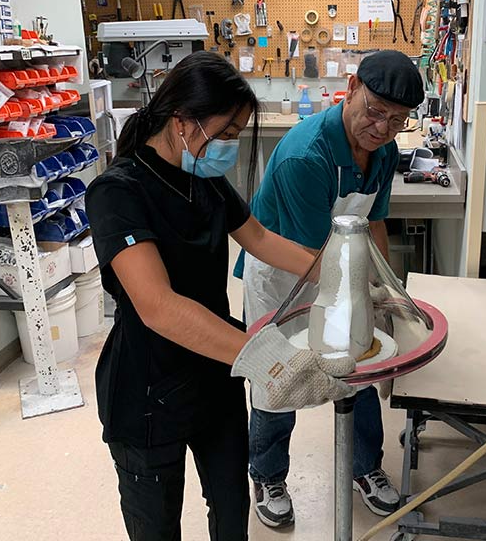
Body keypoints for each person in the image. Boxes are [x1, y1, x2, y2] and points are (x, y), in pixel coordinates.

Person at [85, 51, 355, 541]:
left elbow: (260, 239)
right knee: (156, 524)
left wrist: (339, 274)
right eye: (226, 132)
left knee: (231, 509)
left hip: (214, 373)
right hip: (148, 388)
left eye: (237, 134)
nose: (230, 145)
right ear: (183, 121)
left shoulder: (205, 179)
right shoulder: (118, 192)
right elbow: (158, 307)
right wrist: (268, 359)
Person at [234, 50, 425, 527]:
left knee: (357, 363)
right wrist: (361, 296)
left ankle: (366, 467)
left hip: (343, 266)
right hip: (286, 270)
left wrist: (388, 288)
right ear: (353, 85)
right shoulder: (307, 154)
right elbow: (310, 257)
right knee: (281, 376)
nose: (381, 128)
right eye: (376, 111)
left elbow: (374, 222)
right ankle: (269, 473)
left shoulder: (384, 152)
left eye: (397, 120)